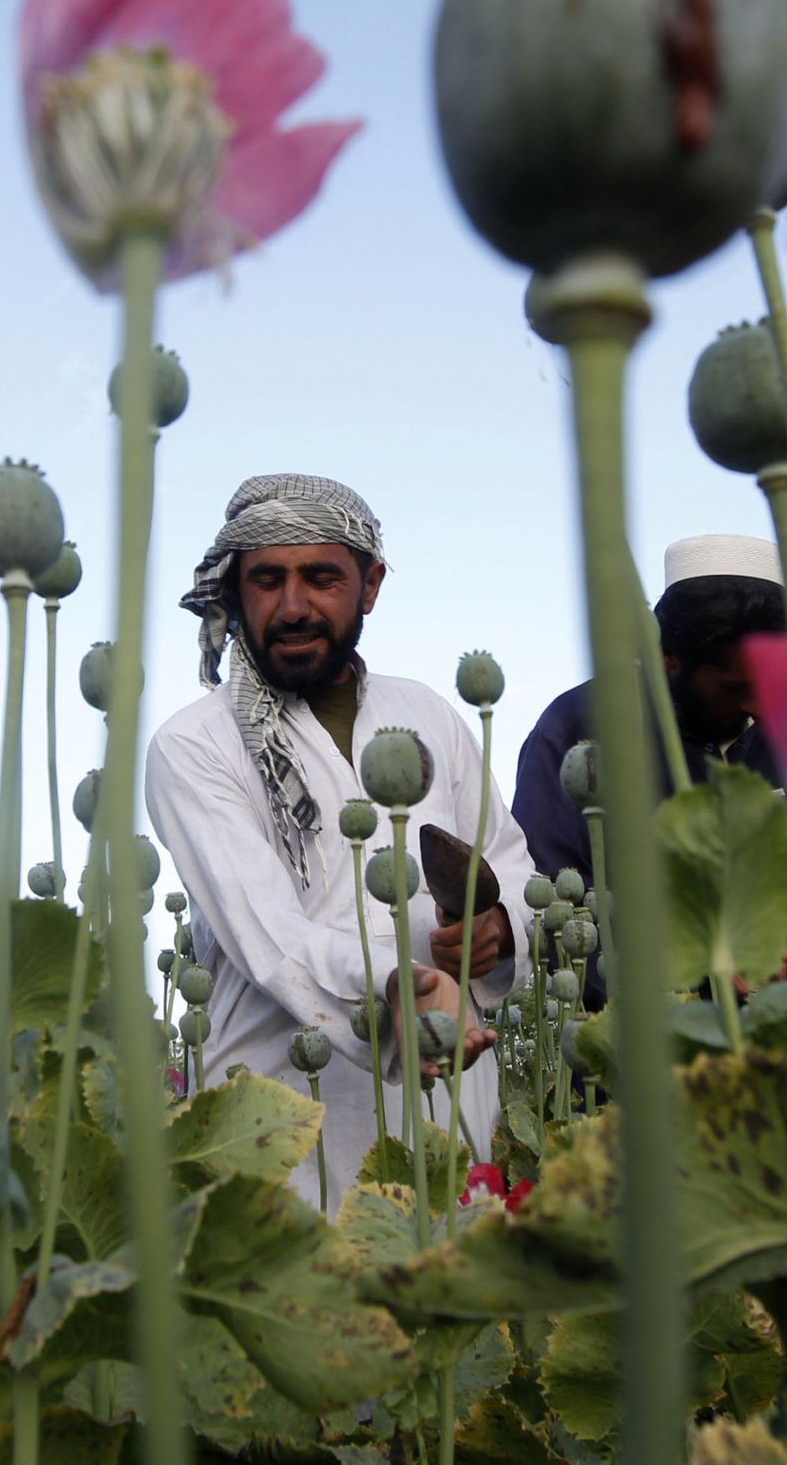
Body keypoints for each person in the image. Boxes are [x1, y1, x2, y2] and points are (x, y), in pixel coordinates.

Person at [145, 474, 539, 1194]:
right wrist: (399, 983)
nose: (293, 606)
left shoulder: (428, 714)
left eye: (321, 578)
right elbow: (270, 934)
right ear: (235, 591)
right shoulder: (194, 744)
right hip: (276, 1122)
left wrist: (500, 928)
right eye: (267, 580)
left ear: (370, 585)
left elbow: (511, 864)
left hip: (449, 1104)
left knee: (446, 1241)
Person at [512, 534, 787, 1007]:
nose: (758, 705)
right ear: (667, 657)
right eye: (734, 687)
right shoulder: (580, 729)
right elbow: (548, 906)